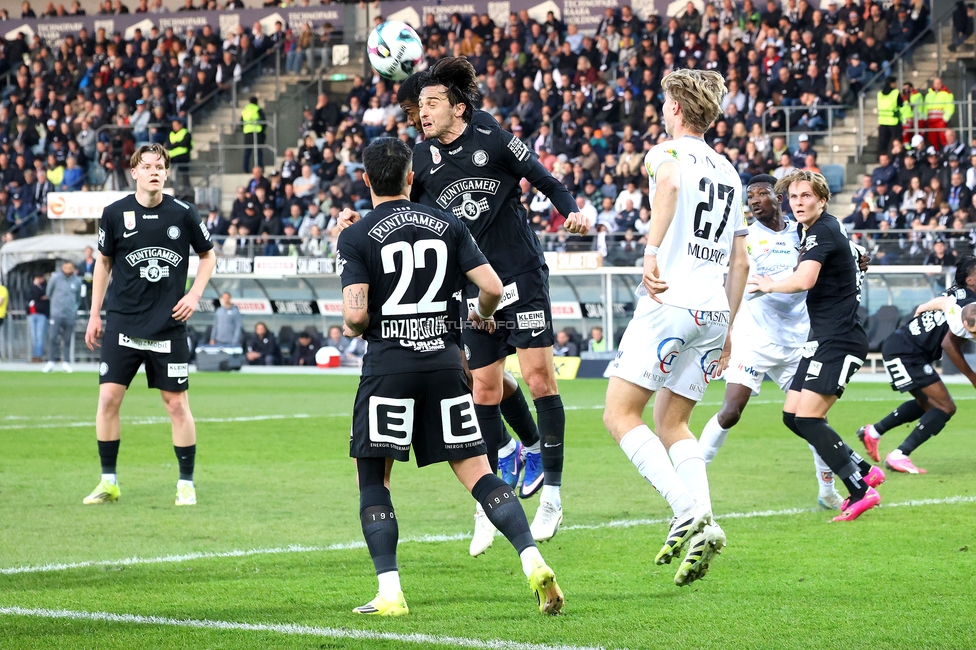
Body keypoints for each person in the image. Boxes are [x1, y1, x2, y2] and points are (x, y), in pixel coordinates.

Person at [337, 137, 563, 617]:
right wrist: (481, 316)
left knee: (374, 481)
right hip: (444, 364)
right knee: (480, 475)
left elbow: (356, 319)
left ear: (365, 179)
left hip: (389, 369)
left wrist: (356, 321)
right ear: (411, 178)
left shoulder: (356, 236)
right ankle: (533, 560)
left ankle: (391, 592)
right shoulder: (448, 224)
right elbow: (493, 288)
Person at [411, 58, 585, 545]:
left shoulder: (493, 137)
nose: (423, 112)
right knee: (482, 390)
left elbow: (546, 180)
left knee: (537, 378)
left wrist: (571, 213)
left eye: (433, 103)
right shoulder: (421, 159)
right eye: (420, 104)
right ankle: (490, 502)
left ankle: (551, 496)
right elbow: (406, 212)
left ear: (459, 108)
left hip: (520, 275)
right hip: (472, 286)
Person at [589, 69, 749, 587]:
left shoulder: (667, 153)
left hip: (671, 300)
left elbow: (673, 184)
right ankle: (708, 523)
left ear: (677, 107)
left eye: (665, 102)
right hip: (713, 311)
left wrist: (651, 251)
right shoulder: (731, 172)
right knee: (673, 422)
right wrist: (727, 330)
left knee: (619, 413)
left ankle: (684, 511)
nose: (662, 110)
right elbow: (741, 260)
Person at [83, 143, 217, 507]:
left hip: (167, 326)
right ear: (135, 172)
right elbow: (103, 264)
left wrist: (193, 295)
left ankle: (186, 483)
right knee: (109, 398)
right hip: (123, 323)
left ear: (166, 173)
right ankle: (108, 481)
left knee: (176, 405)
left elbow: (208, 256)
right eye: (148, 166)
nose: (155, 171)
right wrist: (95, 313)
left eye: (160, 166)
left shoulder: (184, 214)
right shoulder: (114, 214)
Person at [699, 175, 844, 508]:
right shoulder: (745, 239)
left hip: (797, 342)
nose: (753, 200)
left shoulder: (803, 232)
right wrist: (727, 332)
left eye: (761, 194)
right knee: (730, 412)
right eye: (749, 196)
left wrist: (856, 259)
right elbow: (731, 283)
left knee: (813, 420)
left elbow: (830, 257)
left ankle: (827, 491)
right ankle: (690, 478)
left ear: (779, 198)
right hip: (755, 339)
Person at [749, 171, 884, 522]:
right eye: (793, 197)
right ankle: (863, 469)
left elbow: (804, 279)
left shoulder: (821, 230)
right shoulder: (823, 229)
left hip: (839, 340)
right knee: (793, 416)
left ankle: (860, 489)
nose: (798, 203)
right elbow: (857, 257)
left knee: (809, 417)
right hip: (821, 338)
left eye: (806, 196)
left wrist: (768, 284)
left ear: (821, 199)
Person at [857, 258, 976, 474]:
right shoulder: (969, 304)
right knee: (945, 407)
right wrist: (972, 377)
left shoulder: (958, 293)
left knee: (928, 405)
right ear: (970, 279)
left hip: (905, 346)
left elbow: (936, 306)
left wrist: (922, 307)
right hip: (907, 351)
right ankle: (899, 455)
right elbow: (949, 343)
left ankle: (873, 432)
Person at [43, 261, 83, 373]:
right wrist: (56, 305)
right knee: (52, 337)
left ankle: (66, 362)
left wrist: (73, 309)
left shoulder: (77, 281)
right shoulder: (55, 278)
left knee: (67, 339)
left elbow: (78, 298)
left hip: (69, 314)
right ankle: (51, 361)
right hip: (56, 313)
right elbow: (49, 293)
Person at [28, 273, 50, 362]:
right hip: (33, 313)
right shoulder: (31, 288)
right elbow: (32, 296)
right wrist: (35, 286)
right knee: (34, 336)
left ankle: (38, 355)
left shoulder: (45, 288)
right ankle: (34, 355)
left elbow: (45, 295)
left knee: (39, 336)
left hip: (41, 314)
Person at [242, 96, 266, 173]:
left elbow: (241, 121)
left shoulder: (245, 110)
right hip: (257, 132)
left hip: (248, 133)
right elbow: (263, 121)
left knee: (247, 152)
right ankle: (260, 169)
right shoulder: (257, 109)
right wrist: (263, 131)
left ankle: (245, 169)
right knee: (258, 152)